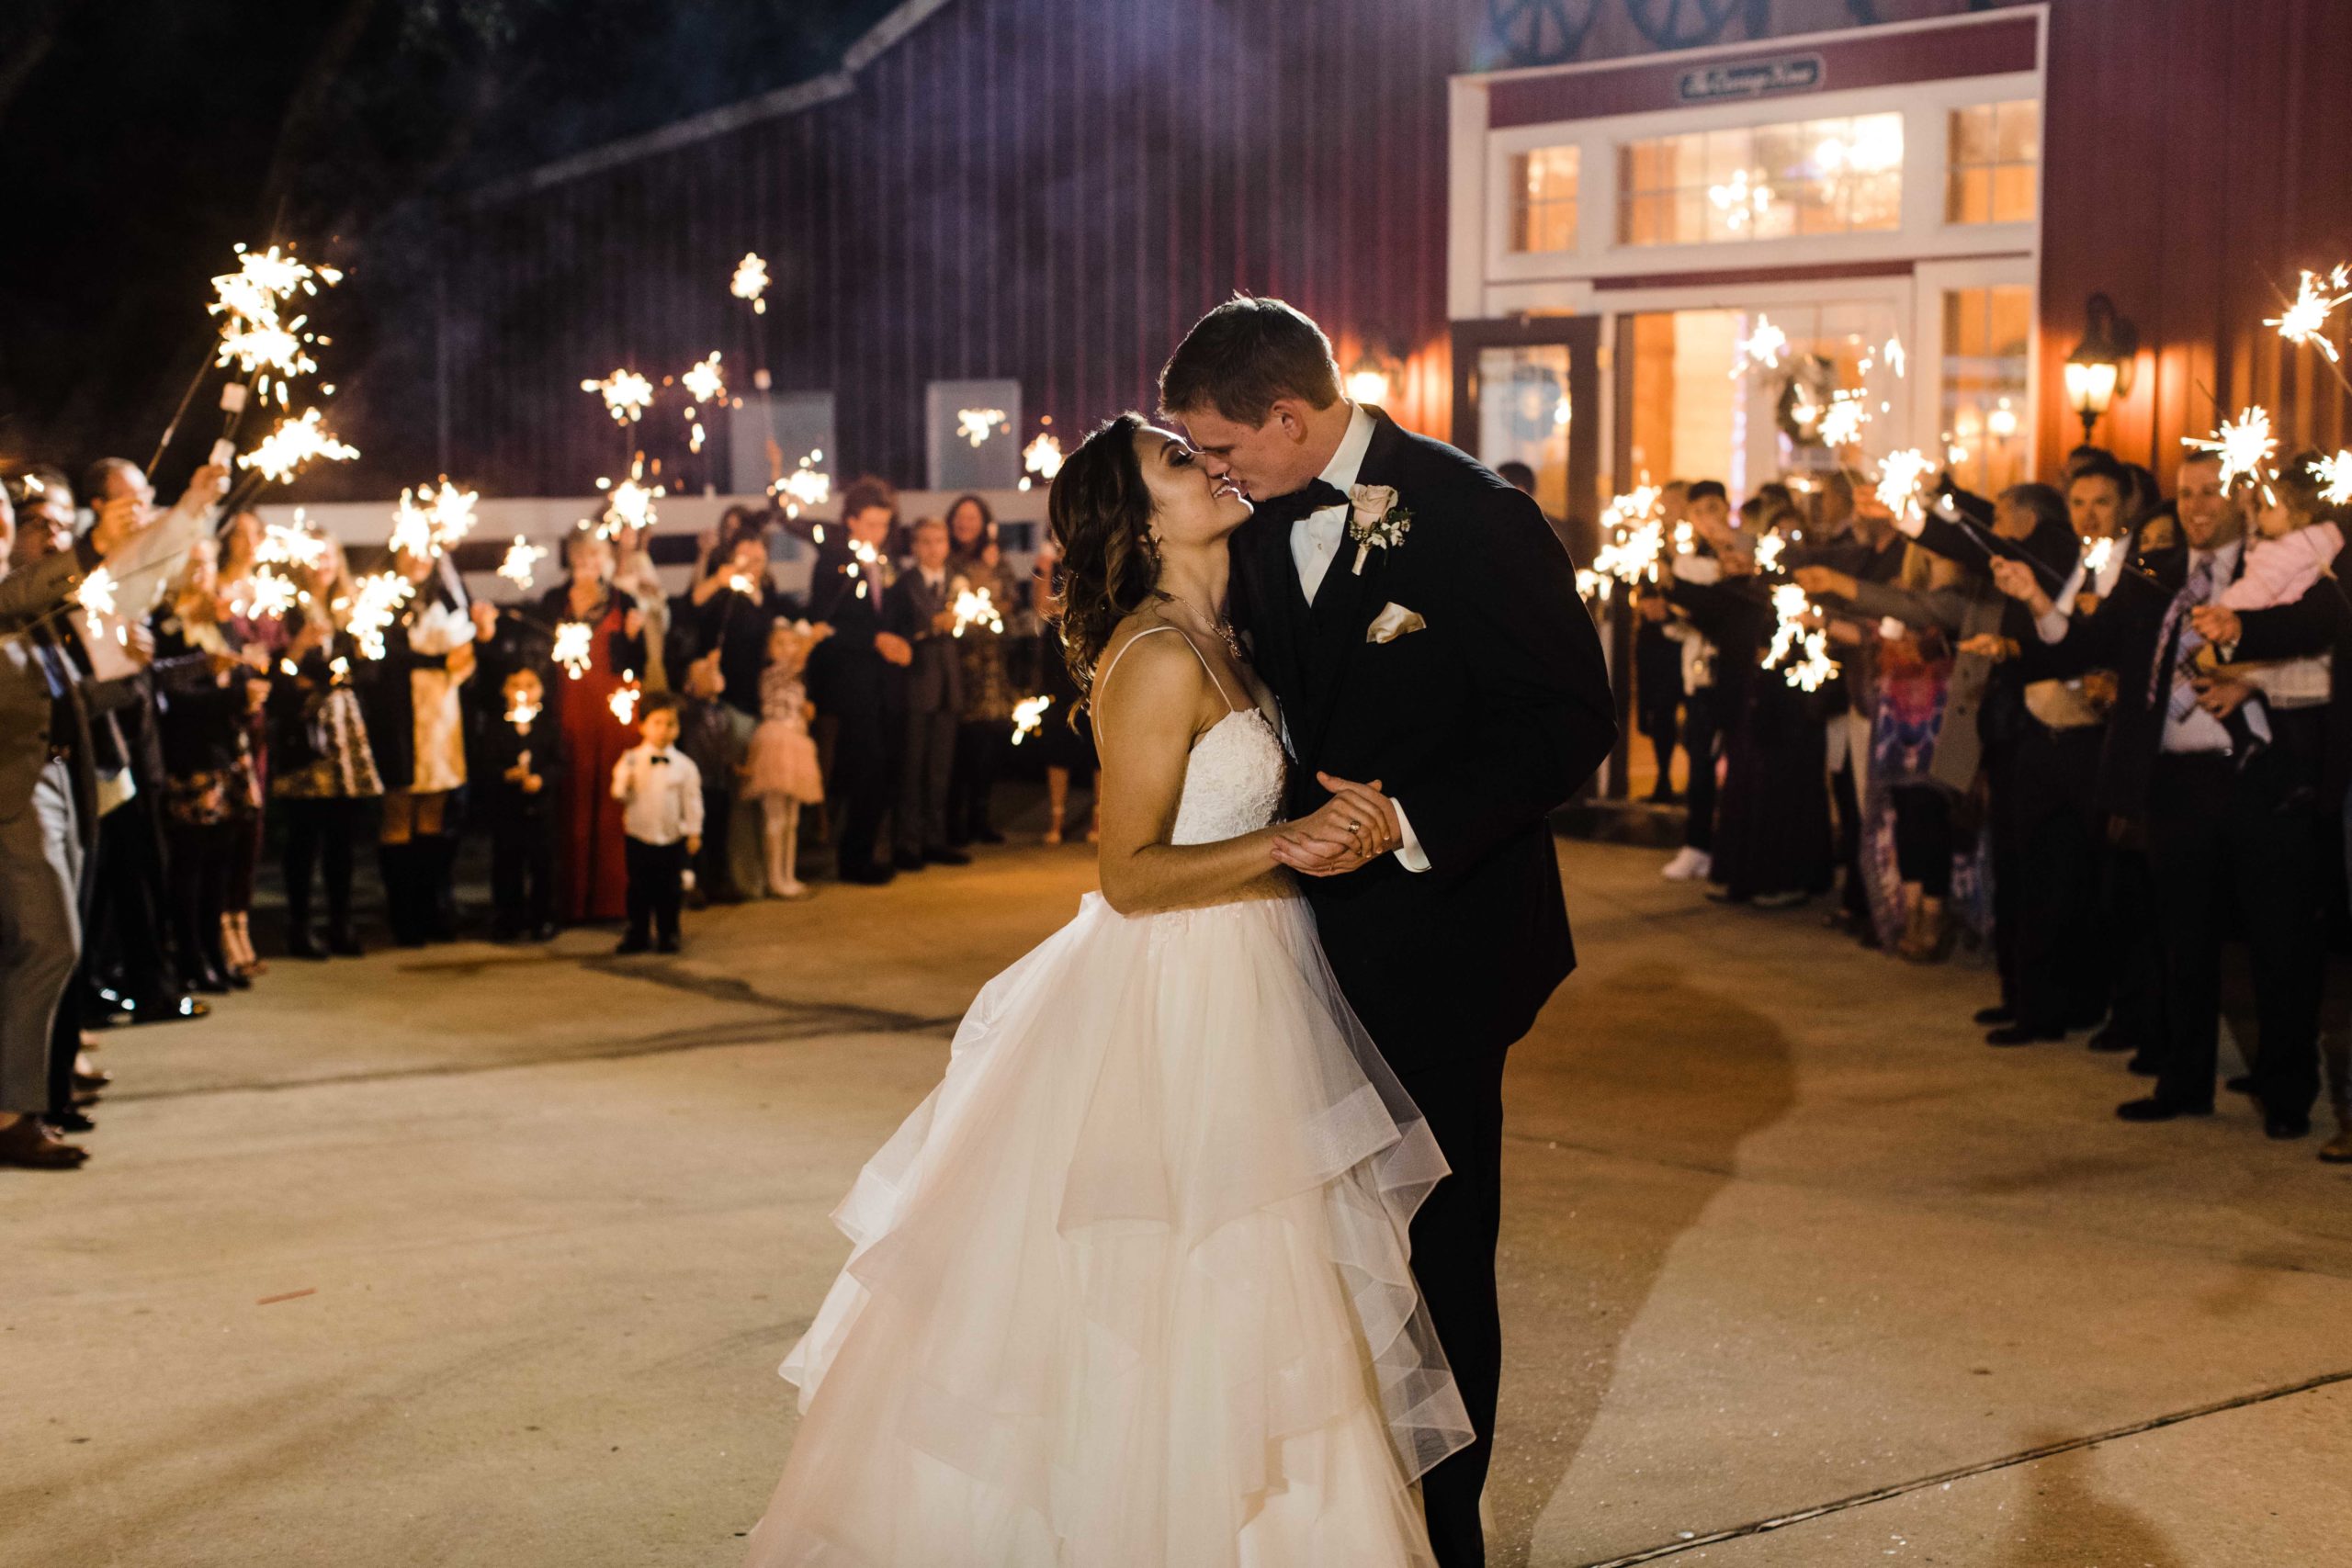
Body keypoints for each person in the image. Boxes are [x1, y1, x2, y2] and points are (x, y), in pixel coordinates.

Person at [742, 412, 1473, 1567]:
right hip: (1178, 993)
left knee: (1264, 1277)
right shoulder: (1157, 655)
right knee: (1174, 1273)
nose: (1208, 465)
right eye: (1177, 462)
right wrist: (1288, 844)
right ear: (1137, 520)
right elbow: (1127, 874)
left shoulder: (1225, 635)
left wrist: (1338, 825)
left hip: (1255, 977)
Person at [1162, 297, 1616, 1567]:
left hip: (1447, 942)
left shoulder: (1475, 515)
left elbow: (1567, 717)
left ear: (1289, 416)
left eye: (1221, 445)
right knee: (1309, 1251)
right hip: (1282, 948)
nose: (1214, 469)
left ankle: (1447, 1534)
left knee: (1436, 1252)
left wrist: (1406, 819)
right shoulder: (1249, 530)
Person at [1, 461, 209, 1168]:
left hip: (59, 784)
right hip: (16, 794)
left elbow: (68, 698)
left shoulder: (29, 611)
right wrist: (115, 536)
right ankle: (13, 1111)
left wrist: (128, 676)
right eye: (32, 521)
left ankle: (28, 1102)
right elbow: (48, 582)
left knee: (50, 945)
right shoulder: (14, 596)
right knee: (51, 940)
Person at [359, 543, 477, 945]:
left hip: (441, 711)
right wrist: (436, 662)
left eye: (426, 552)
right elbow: (381, 657)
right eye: (409, 551)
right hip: (399, 713)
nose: (418, 559)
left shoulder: (447, 592)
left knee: (433, 811)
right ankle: (402, 912)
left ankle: (433, 907)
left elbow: (466, 641)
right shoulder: (382, 596)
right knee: (400, 809)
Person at [268, 568, 383, 959]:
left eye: (330, 555)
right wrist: (299, 652)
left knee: (342, 838)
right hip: (304, 736)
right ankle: (300, 925)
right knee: (303, 838)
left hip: (342, 735)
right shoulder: (288, 609)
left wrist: (344, 669)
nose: (323, 565)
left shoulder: (352, 612)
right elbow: (280, 676)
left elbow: (369, 670)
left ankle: (341, 921)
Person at [805, 478, 914, 884]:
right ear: (850, 521)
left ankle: (874, 848)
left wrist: (903, 640)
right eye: (869, 524)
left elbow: (898, 614)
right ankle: (853, 857)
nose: (877, 534)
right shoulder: (833, 563)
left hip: (887, 683)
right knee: (863, 768)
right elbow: (824, 623)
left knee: (887, 767)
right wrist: (873, 640)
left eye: (883, 525)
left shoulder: (888, 564)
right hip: (852, 682)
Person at [536, 530, 645, 922]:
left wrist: (634, 638)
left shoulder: (623, 600)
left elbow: (638, 664)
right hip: (571, 708)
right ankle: (572, 900)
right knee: (574, 797)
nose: (586, 564)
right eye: (579, 557)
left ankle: (613, 900)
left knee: (613, 801)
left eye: (594, 557)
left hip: (613, 711)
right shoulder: (554, 603)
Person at [883, 516, 969, 870]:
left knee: (940, 769)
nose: (935, 549)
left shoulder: (956, 582)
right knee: (912, 768)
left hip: (949, 685)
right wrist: (930, 626)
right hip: (917, 685)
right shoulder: (905, 584)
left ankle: (936, 839)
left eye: (940, 541)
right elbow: (899, 629)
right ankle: (907, 843)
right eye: (927, 542)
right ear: (915, 547)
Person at [1659, 479, 1733, 882]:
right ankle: (1698, 844)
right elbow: (1687, 621)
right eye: (1700, 511)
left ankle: (1724, 844)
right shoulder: (1689, 559)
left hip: (1736, 673)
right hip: (1701, 675)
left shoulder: (1738, 555)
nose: (1709, 518)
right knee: (1701, 762)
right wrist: (1669, 615)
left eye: (1714, 508)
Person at [944, 495, 1014, 846]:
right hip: (958, 662)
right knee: (960, 746)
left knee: (988, 745)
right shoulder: (946, 558)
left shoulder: (996, 558)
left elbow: (1009, 601)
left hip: (990, 663)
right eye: (960, 517)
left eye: (972, 517)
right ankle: (952, 822)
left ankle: (980, 817)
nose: (965, 523)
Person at [742, 619, 828, 898]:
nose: (788, 648)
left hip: (798, 743)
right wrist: (809, 639)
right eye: (780, 643)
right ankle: (774, 878)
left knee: (792, 818)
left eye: (791, 642)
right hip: (777, 744)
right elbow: (794, 665)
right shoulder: (772, 674)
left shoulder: (796, 679)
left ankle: (789, 875)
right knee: (775, 817)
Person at [611, 696, 702, 955]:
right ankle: (637, 933)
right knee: (639, 888)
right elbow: (618, 793)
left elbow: (692, 801)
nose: (663, 730)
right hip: (640, 835)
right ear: (643, 726)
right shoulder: (630, 759)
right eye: (657, 723)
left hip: (671, 837)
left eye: (670, 724)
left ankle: (668, 933)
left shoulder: (685, 766)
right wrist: (625, 784)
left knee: (670, 890)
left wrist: (694, 831)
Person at [481, 666, 563, 941]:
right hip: (508, 809)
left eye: (530, 685)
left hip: (541, 810)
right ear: (505, 690)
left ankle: (543, 918)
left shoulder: (548, 726)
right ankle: (508, 918)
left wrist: (541, 779)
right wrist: (505, 775)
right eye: (515, 684)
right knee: (507, 865)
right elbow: (485, 763)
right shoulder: (496, 726)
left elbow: (560, 762)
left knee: (542, 866)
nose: (523, 691)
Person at [1031, 539, 1100, 844]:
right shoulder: (1049, 564)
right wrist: (1043, 570)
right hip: (1056, 663)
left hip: (1092, 655)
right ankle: (1056, 819)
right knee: (1058, 742)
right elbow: (1043, 608)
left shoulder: (1094, 561)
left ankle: (1098, 821)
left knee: (1097, 745)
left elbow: (1095, 608)